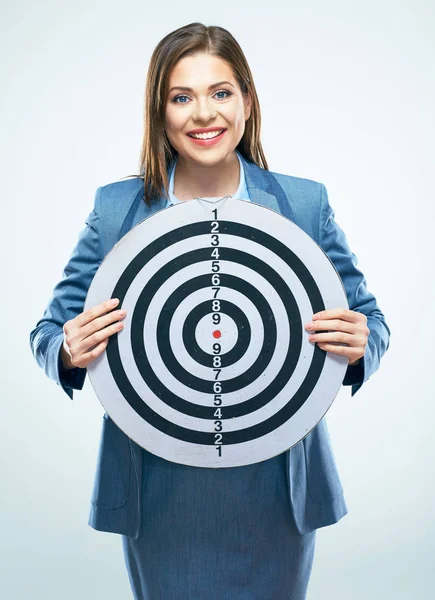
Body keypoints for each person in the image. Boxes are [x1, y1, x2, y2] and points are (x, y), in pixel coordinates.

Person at [29, 22, 391, 600]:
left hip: (276, 489)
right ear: (160, 112)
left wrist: (359, 342)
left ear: (247, 101)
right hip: (159, 489)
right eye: (181, 97)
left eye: (221, 92)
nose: (203, 114)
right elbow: (48, 332)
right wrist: (68, 350)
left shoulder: (302, 203)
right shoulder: (116, 209)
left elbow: (372, 323)